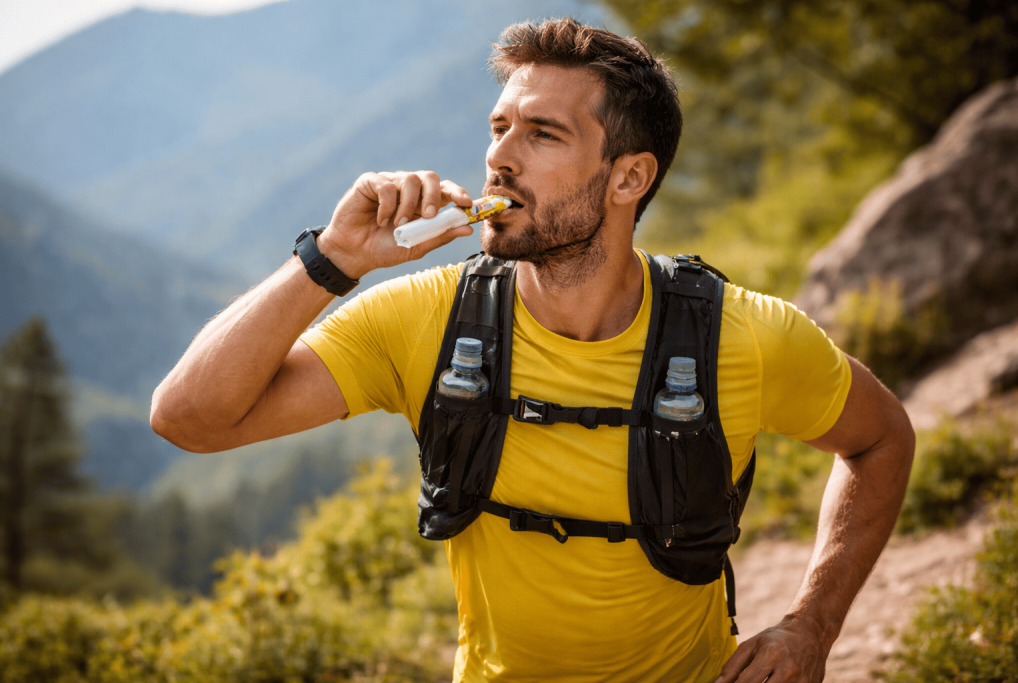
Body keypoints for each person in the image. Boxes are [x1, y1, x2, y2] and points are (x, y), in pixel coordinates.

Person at [150, 17, 915, 683]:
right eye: (498, 129)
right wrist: (332, 260)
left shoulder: (740, 336)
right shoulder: (425, 318)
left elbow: (882, 439)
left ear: (629, 178)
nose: (500, 159)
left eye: (542, 133)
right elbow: (190, 417)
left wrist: (813, 624)